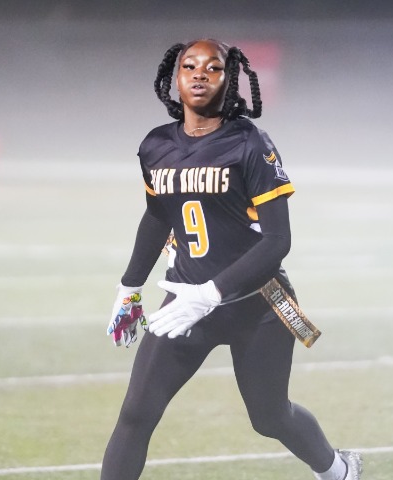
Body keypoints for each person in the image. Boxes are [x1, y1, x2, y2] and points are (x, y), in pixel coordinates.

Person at [102, 38, 363, 480]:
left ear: (231, 78)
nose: (199, 75)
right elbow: (158, 216)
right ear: (175, 77)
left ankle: (339, 471)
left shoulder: (249, 142)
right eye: (189, 66)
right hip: (185, 303)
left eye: (213, 67)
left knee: (270, 416)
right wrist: (129, 288)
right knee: (136, 413)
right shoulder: (155, 144)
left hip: (259, 304)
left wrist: (213, 292)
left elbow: (277, 240)